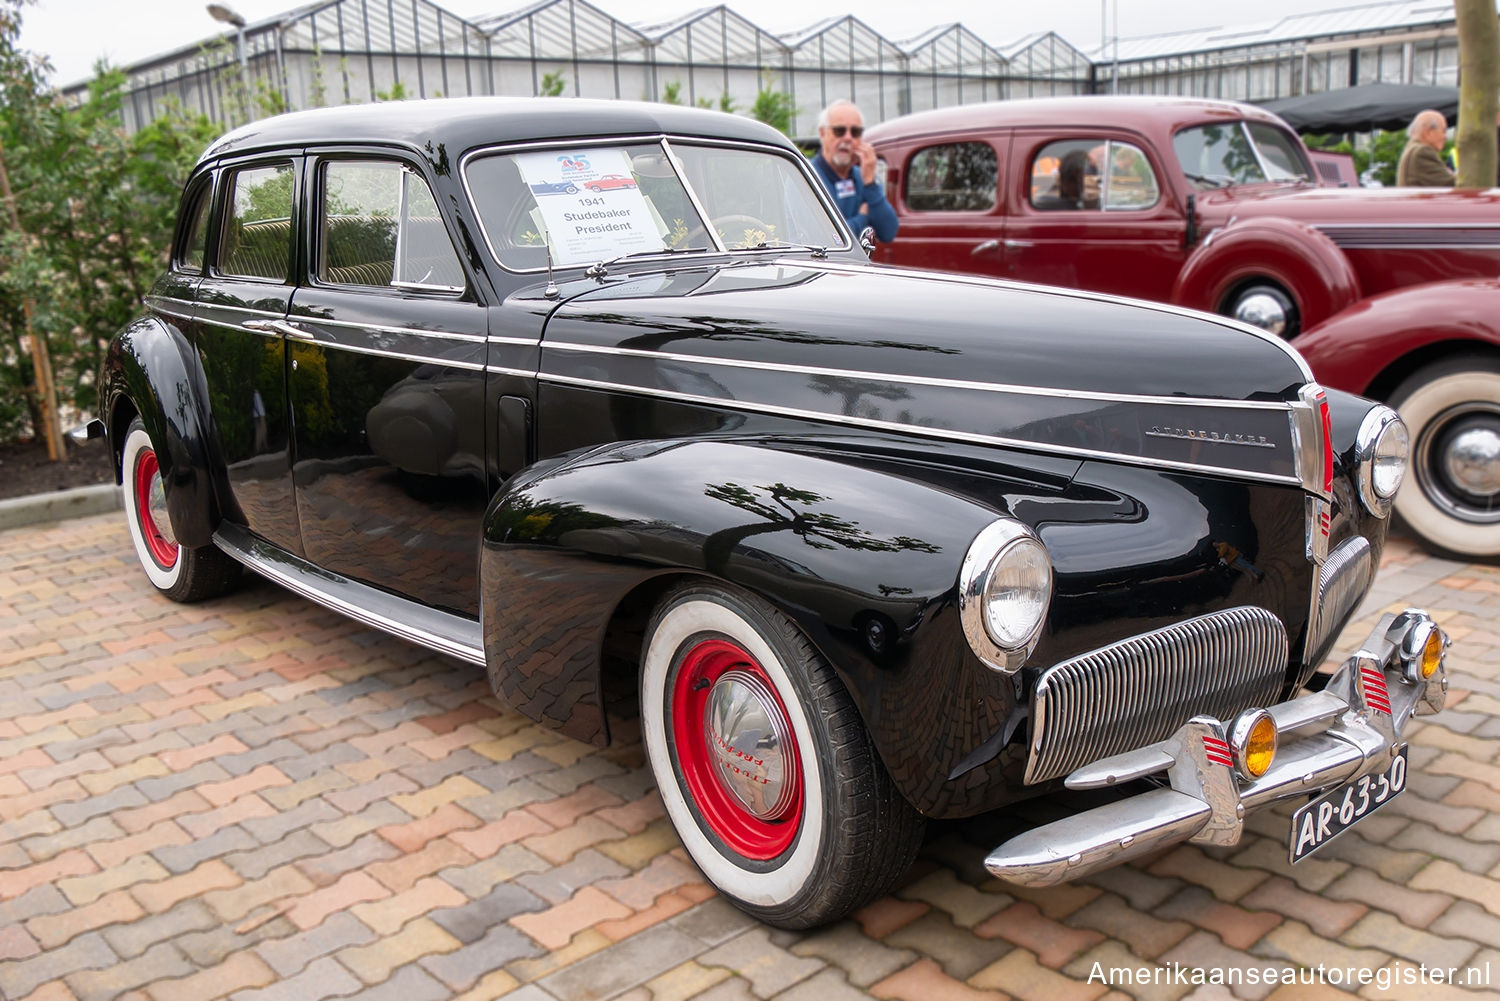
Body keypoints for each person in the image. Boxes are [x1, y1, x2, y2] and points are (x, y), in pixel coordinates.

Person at [811, 99, 898, 243]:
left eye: (855, 132)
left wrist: (870, 183)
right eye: (839, 131)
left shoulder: (862, 177)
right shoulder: (807, 177)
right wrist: (862, 219)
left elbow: (888, 232)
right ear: (822, 133)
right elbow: (825, 241)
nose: (848, 138)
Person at [1396, 109, 1455, 187]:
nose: (1445, 137)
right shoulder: (1422, 152)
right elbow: (1450, 183)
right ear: (1428, 132)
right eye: (1443, 131)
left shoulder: (1412, 149)